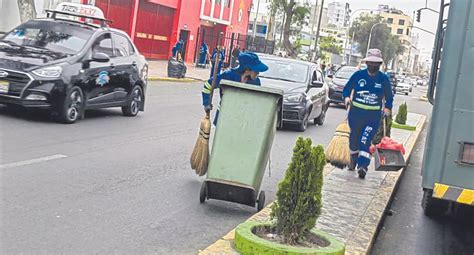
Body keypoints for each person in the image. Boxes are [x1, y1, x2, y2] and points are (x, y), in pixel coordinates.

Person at [342, 49, 393, 179]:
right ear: (367, 63)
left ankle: (363, 166)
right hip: (355, 114)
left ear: (379, 64)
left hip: (373, 117)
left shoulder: (383, 79)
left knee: (365, 140)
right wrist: (347, 98)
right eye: (371, 63)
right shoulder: (358, 75)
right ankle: (353, 160)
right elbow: (347, 89)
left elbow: (389, 96)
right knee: (353, 140)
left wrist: (387, 108)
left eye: (376, 64)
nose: (373, 66)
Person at [202, 52, 268, 125]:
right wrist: (206, 103)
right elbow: (208, 85)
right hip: (223, 117)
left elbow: (256, 101)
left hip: (243, 121)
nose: (258, 73)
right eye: (256, 70)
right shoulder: (228, 76)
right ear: (247, 70)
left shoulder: (256, 82)